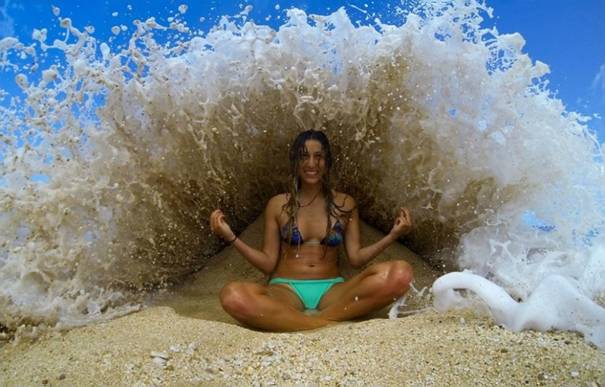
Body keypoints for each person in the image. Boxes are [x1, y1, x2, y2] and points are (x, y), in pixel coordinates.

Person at [209, 129, 414, 331]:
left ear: (327, 162)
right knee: (232, 296)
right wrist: (230, 236)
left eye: (319, 157)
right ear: (295, 162)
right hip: (286, 289)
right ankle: (322, 324)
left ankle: (310, 320)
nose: (312, 164)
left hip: (333, 290)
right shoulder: (277, 204)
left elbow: (356, 258)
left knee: (401, 274)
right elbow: (267, 263)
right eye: (304, 157)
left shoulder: (345, 203)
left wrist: (393, 235)